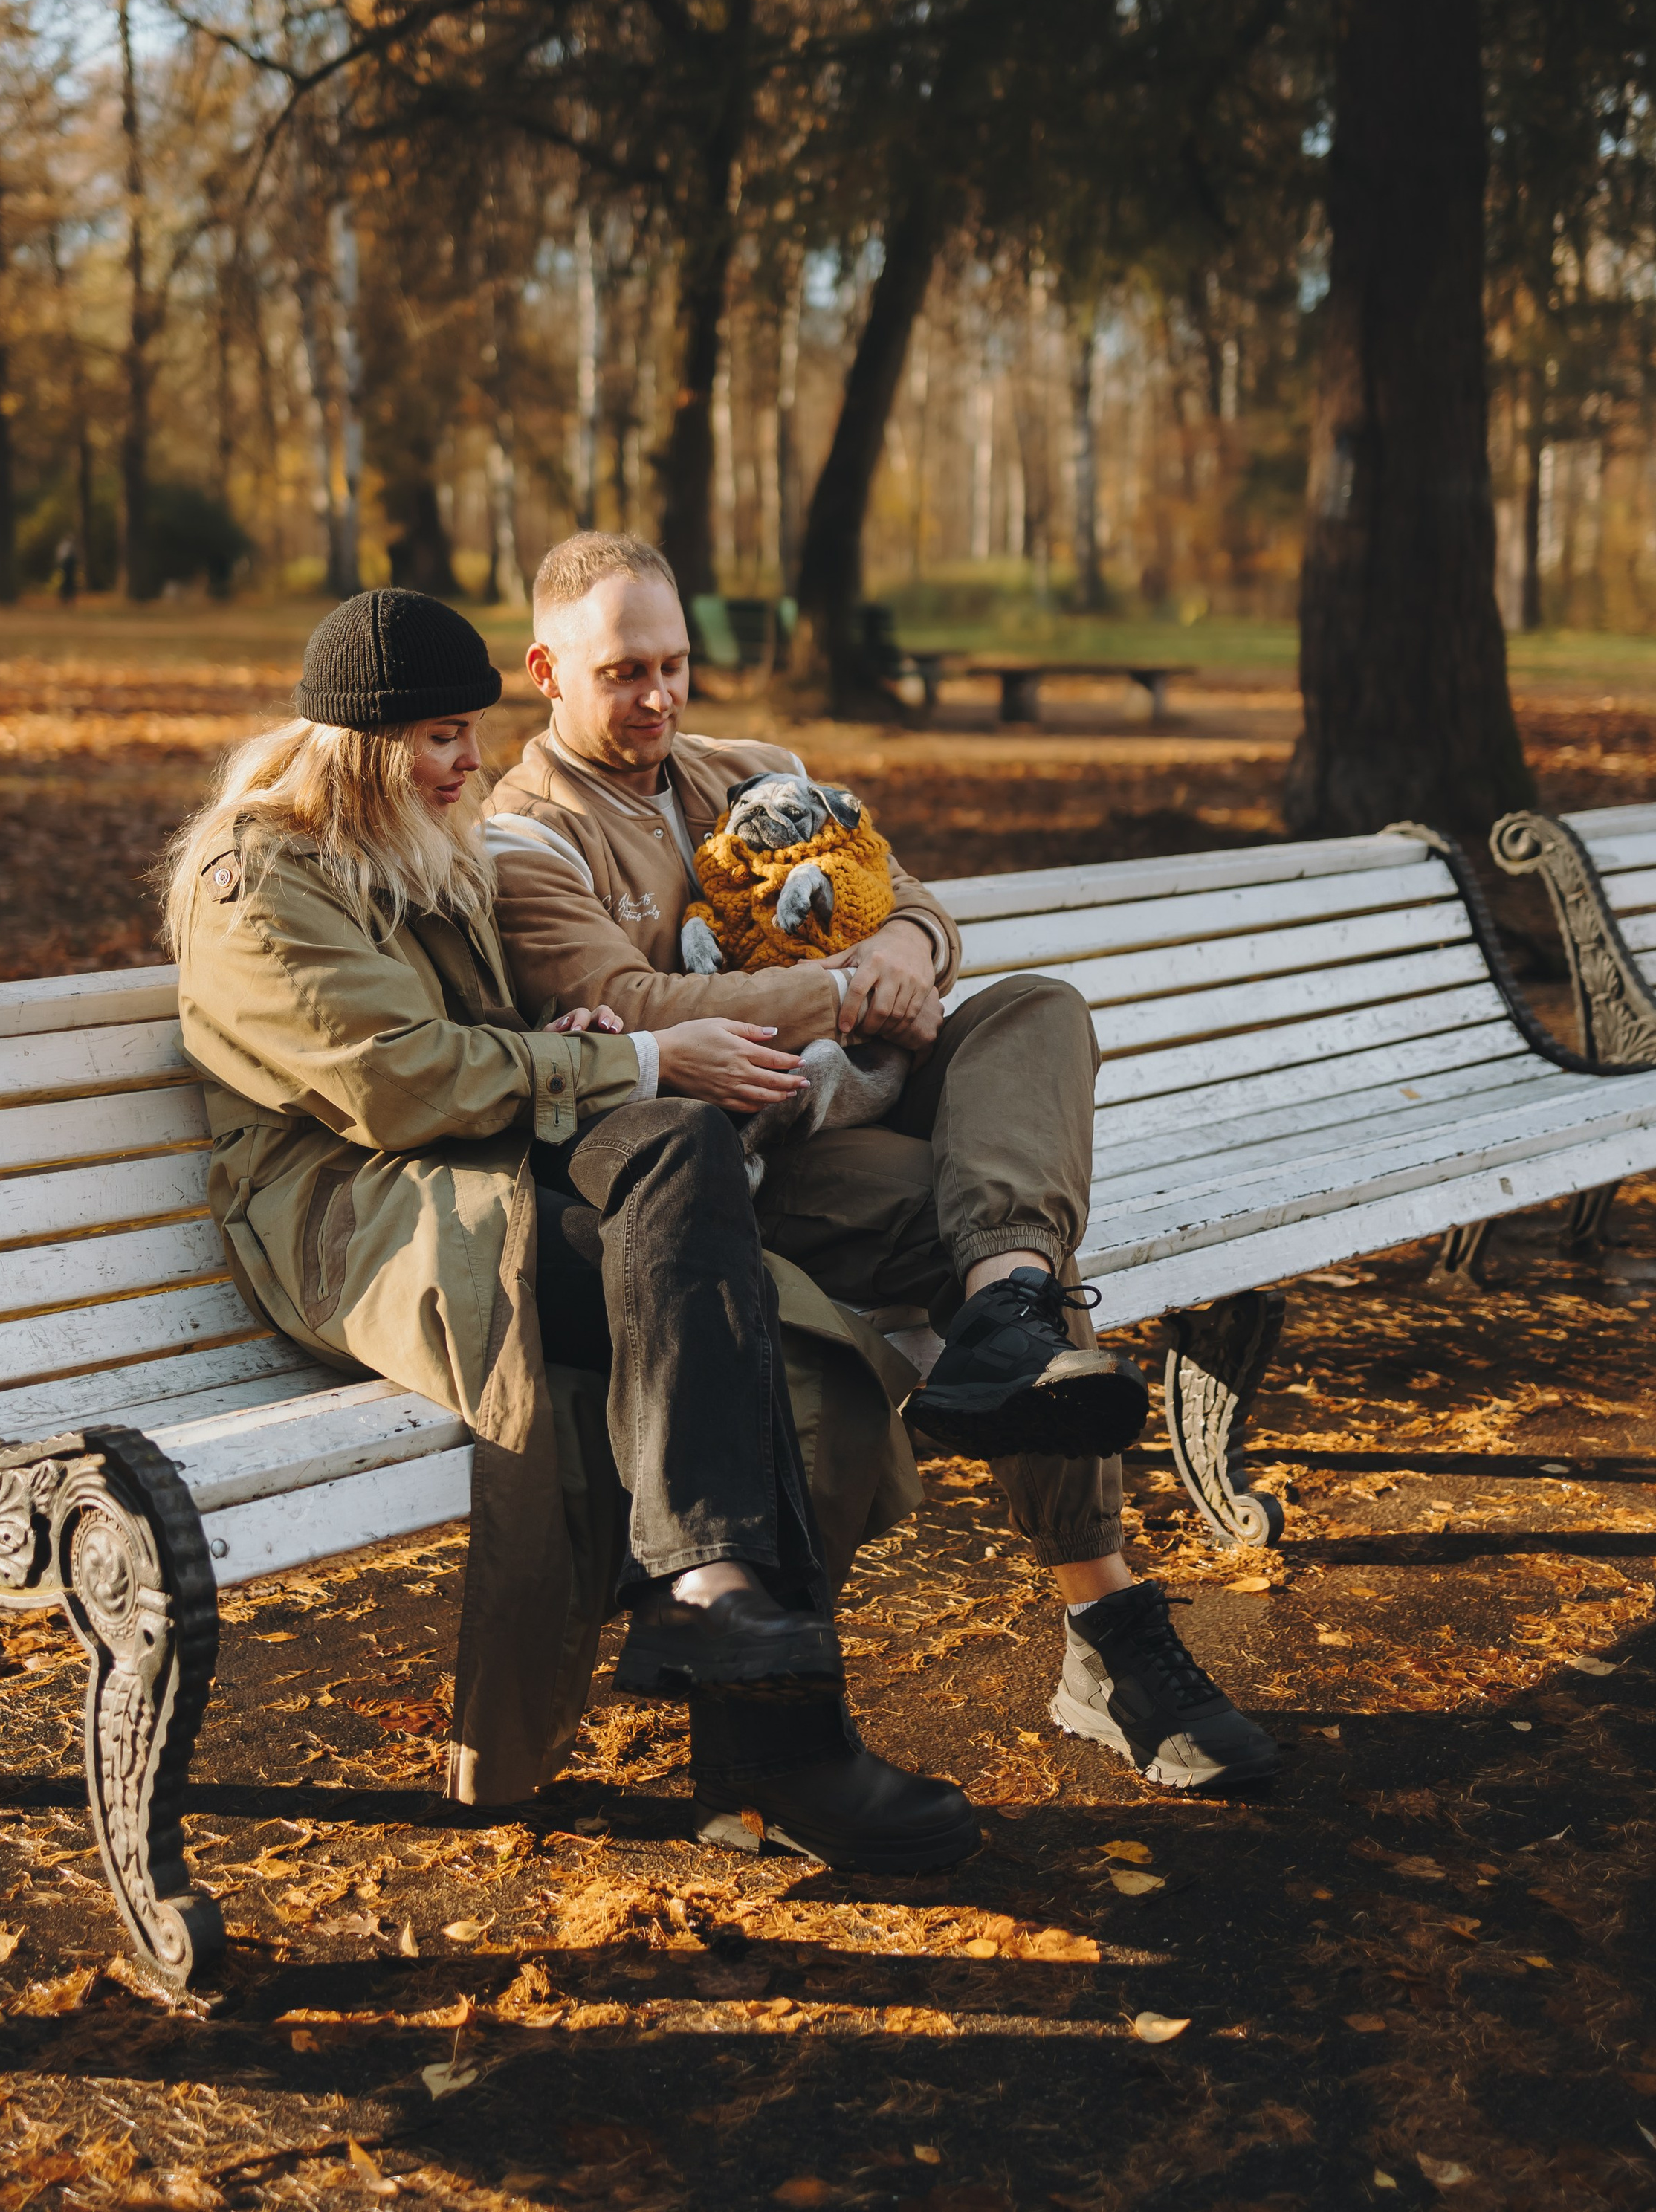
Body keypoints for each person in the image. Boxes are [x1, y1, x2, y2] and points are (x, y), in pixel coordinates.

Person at [168, 586, 975, 1871]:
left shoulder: (419, 837)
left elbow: (475, 1055)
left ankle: (714, 1609)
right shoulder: (260, 877)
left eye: (469, 733)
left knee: (689, 1157)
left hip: (479, 1174)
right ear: (357, 745)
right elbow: (393, 1082)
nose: (465, 762)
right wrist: (632, 1055)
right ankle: (779, 1732)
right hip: (358, 1225)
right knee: (753, 1309)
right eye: (436, 737)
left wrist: (577, 1049)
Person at [485, 532, 1279, 1791]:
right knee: (995, 1232)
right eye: (625, 671)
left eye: (676, 665)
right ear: (545, 668)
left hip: (882, 1092)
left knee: (1038, 1009)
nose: (660, 697)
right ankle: (1110, 1627)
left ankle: (1005, 1304)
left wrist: (906, 950)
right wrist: (851, 987)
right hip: (752, 1162)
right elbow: (627, 1000)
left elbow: (916, 901)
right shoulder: (523, 840)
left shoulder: (760, 770)